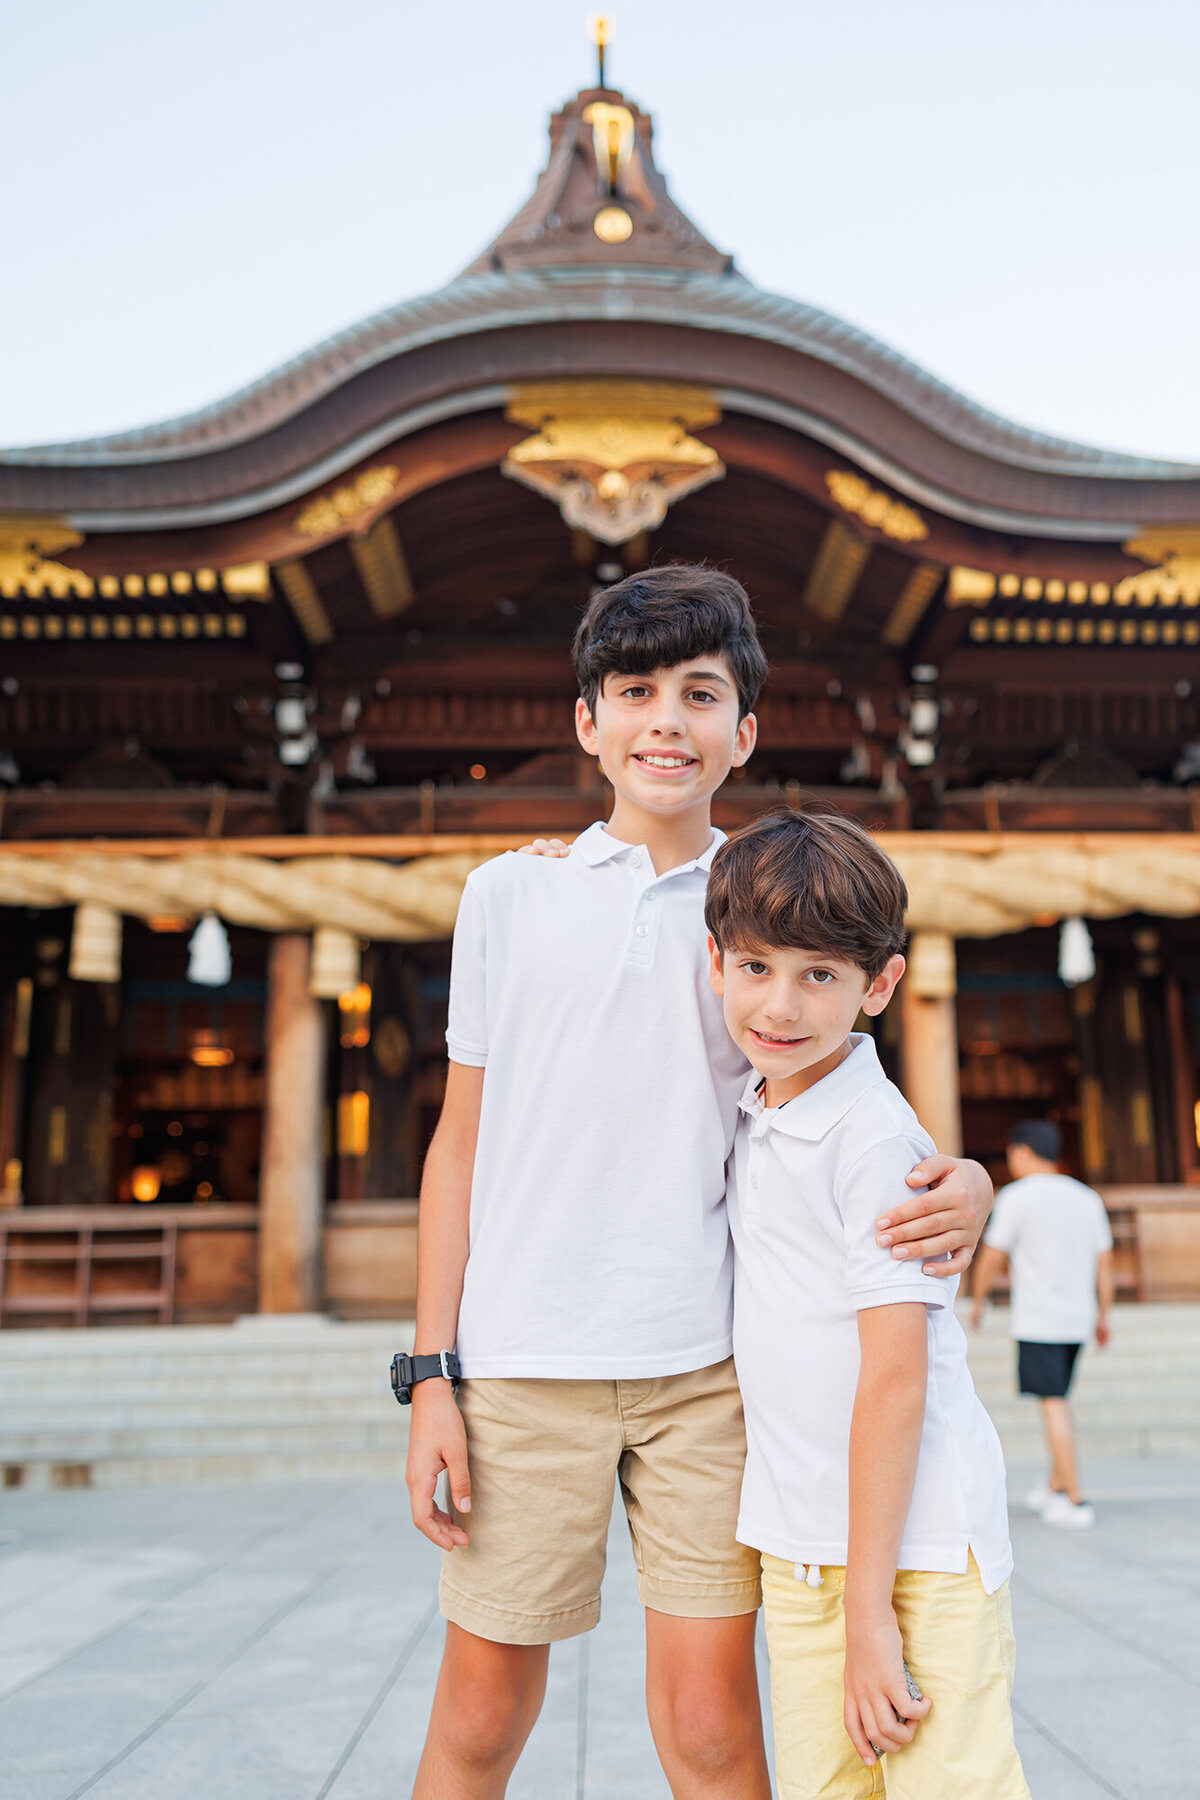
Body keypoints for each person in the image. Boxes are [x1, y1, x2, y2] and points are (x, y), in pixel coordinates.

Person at [405, 565, 995, 1799]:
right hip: (522, 1366)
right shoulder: (509, 894)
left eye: (700, 693)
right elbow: (457, 1142)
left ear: (746, 732)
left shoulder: (764, 906)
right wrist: (431, 1374)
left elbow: (847, 1108)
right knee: (476, 1717)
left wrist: (973, 1183)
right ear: (587, 722)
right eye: (633, 691)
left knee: (716, 1734)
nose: (665, 720)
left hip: (707, 1379)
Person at [706, 809, 1029, 1800]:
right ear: (714, 962)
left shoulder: (876, 1142)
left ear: (879, 985)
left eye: (820, 975)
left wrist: (870, 1613)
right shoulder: (762, 1105)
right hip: (802, 1547)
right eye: (756, 968)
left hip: (913, 1553)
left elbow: (893, 1380)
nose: (781, 1004)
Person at [971, 1120, 1114, 1529]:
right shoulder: (1086, 1197)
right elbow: (1104, 1263)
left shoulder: (1018, 1198)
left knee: (1053, 1404)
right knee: (1058, 1398)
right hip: (1078, 1317)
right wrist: (1105, 1313)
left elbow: (993, 1255)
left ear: (1022, 1152)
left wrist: (978, 1299)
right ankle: (1054, 1484)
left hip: (1040, 1320)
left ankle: (1076, 1498)